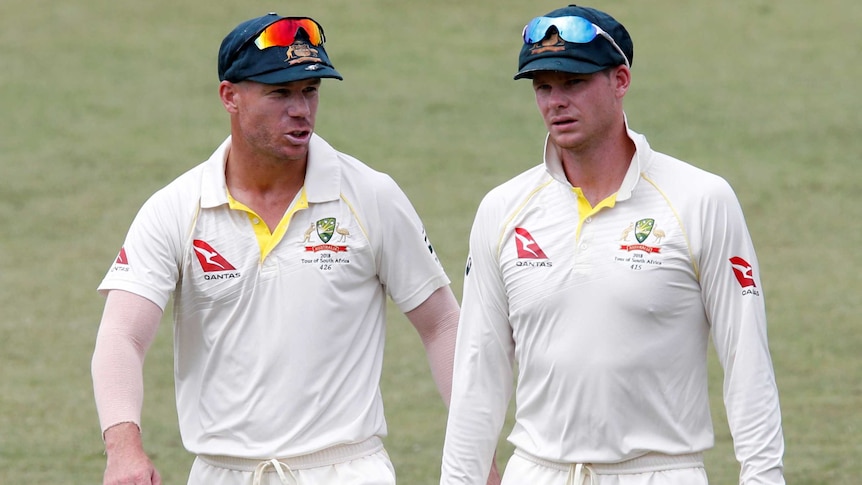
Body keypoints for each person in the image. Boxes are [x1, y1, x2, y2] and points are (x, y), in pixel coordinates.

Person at [91, 13, 490, 485]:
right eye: (280, 93)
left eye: (310, 91)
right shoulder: (176, 209)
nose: (301, 109)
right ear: (230, 97)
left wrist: (477, 454)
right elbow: (122, 335)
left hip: (346, 471)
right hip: (223, 473)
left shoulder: (371, 196)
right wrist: (123, 448)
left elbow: (442, 324)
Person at [439, 5, 785, 485]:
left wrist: (764, 478)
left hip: (660, 472)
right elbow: (478, 375)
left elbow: (747, 361)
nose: (555, 102)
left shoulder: (701, 199)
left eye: (574, 83)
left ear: (620, 80)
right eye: (543, 87)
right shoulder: (502, 209)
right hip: (537, 472)